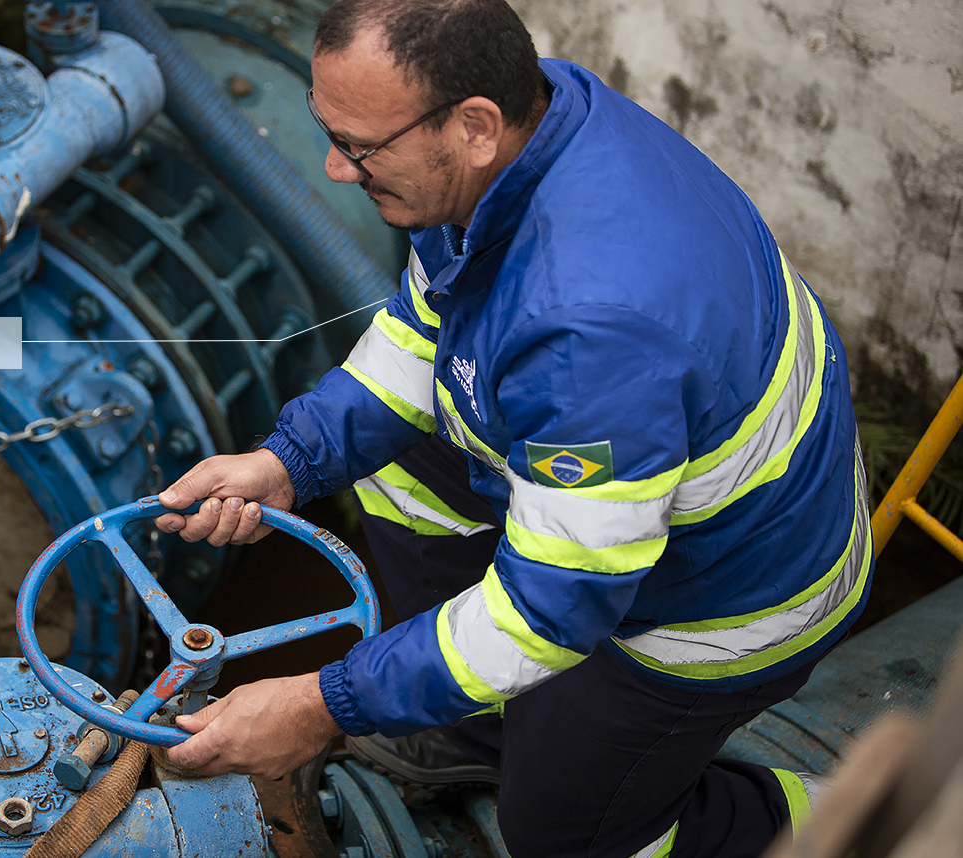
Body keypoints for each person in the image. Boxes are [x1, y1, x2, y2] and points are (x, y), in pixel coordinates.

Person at [152, 0, 874, 856]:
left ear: (474, 125)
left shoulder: (590, 327)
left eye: (360, 146)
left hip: (725, 595)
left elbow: (553, 606)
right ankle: (474, 729)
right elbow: (428, 330)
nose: (335, 169)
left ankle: (844, 819)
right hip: (635, 492)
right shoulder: (529, 139)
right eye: (328, 127)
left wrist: (320, 705)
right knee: (395, 460)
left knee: (562, 833)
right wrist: (287, 462)